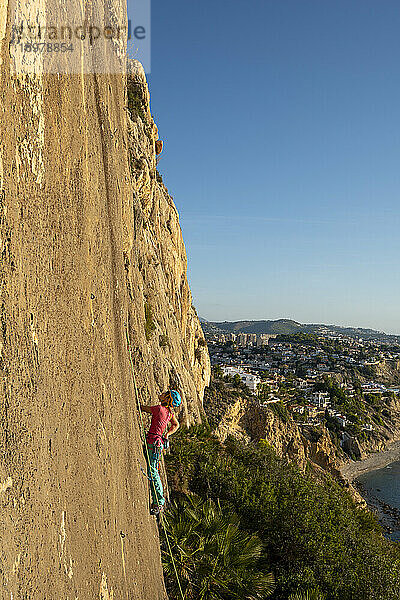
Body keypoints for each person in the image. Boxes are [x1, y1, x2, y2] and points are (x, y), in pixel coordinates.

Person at [141, 389, 181, 514]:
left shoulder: (159, 409)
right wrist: (167, 434)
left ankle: (159, 502)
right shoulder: (169, 413)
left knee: (152, 471)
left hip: (154, 442)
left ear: (167, 399)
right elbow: (176, 425)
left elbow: (144, 408)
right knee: (153, 470)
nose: (162, 394)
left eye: (165, 394)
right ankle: (158, 501)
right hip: (157, 443)